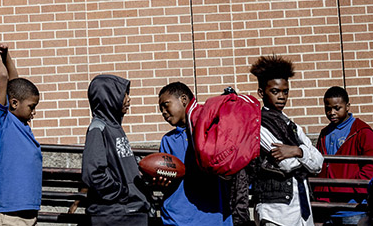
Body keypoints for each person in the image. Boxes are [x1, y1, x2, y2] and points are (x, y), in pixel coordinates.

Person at [250, 55, 324, 226]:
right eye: (275, 91)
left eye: (285, 91)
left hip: (301, 210)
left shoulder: (292, 125)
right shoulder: (258, 125)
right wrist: (306, 154)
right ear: (262, 92)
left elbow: (319, 162)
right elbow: (287, 164)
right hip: (276, 212)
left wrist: (297, 151)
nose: (281, 96)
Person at [0, 41, 42, 226]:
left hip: (27, 211)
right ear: (13, 104)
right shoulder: (3, 122)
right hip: (8, 213)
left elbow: (14, 82)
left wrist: (6, 56)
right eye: (32, 107)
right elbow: (3, 79)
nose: (34, 112)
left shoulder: (21, 124)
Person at [157, 81, 233, 226]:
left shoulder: (213, 129)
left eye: (166, 105)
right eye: (160, 110)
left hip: (214, 216)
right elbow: (167, 177)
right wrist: (160, 181)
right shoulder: (168, 140)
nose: (163, 112)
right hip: (178, 218)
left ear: (183, 99)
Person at [81, 74, 150, 226]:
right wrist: (123, 192)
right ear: (109, 97)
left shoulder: (115, 127)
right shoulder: (98, 129)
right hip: (114, 214)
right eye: (124, 94)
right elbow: (93, 174)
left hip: (130, 211)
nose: (128, 99)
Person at [315, 86, 373, 199]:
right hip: (326, 202)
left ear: (347, 107)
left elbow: (370, 166)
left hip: (352, 205)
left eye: (337, 108)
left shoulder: (361, 131)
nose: (332, 112)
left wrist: (352, 188)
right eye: (328, 109)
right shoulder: (324, 133)